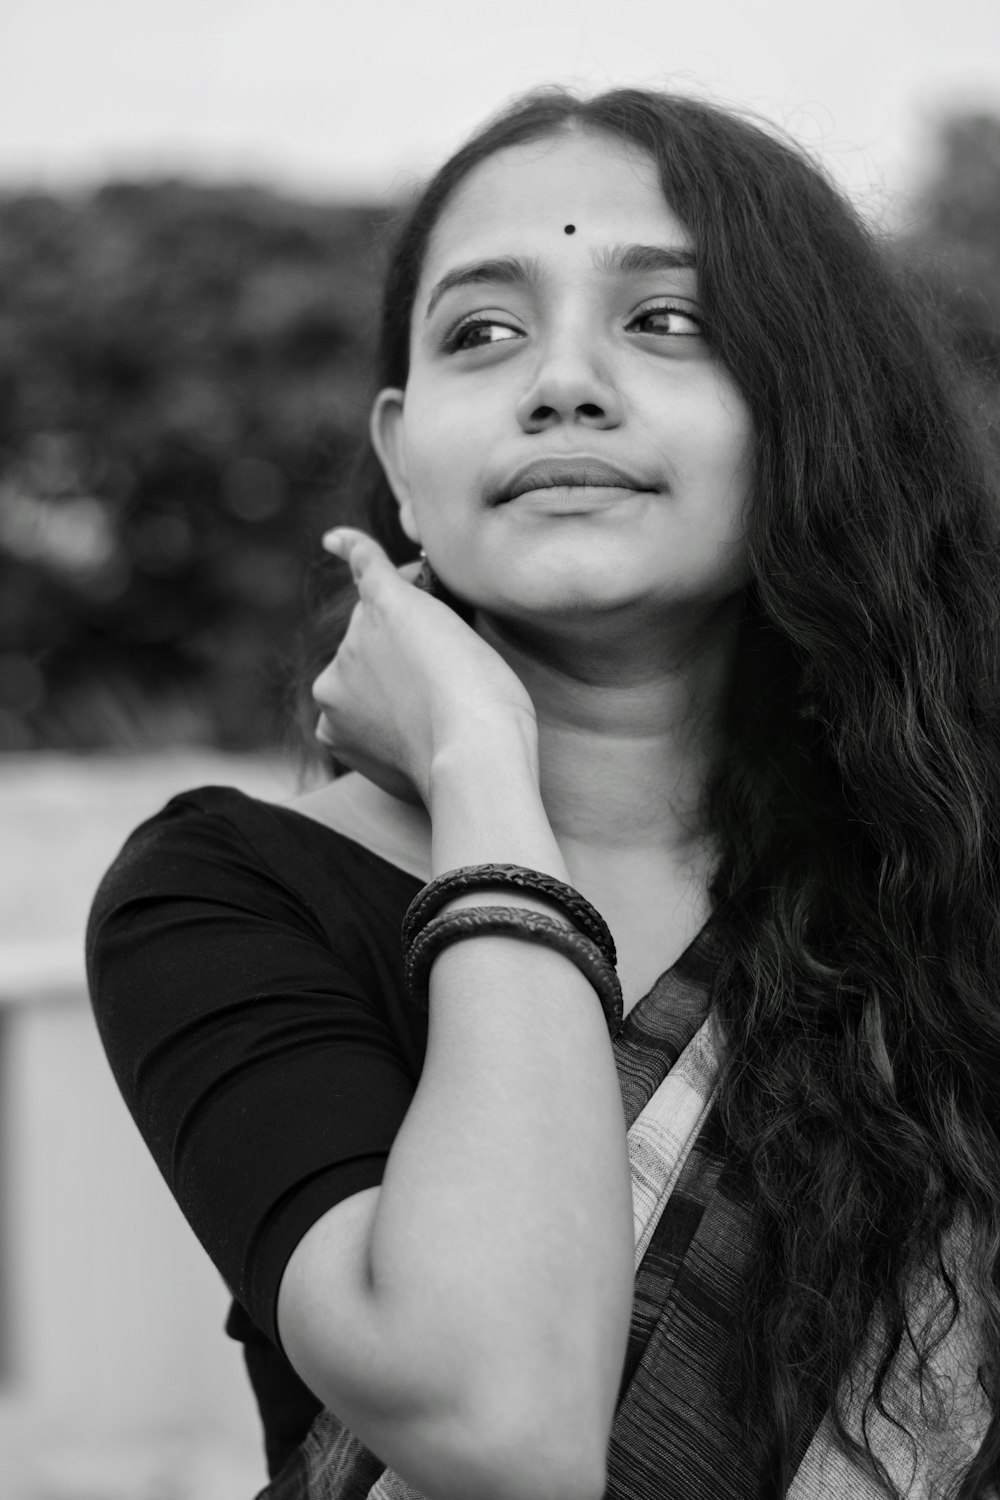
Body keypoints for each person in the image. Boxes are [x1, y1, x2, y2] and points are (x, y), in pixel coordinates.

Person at [85, 85, 1000, 1500]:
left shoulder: (955, 877)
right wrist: (480, 770)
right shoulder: (227, 897)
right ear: (400, 455)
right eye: (483, 332)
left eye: (667, 322)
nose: (561, 383)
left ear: (811, 409)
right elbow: (504, 1427)